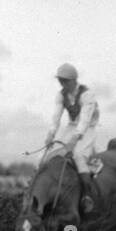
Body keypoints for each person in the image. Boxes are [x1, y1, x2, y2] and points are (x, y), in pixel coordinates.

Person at [44, 62, 102, 210]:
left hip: (87, 128)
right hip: (71, 126)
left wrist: (74, 140)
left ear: (73, 80)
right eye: (60, 81)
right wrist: (50, 134)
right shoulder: (61, 95)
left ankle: (87, 196)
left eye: (65, 81)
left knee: (77, 154)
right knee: (48, 155)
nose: (62, 84)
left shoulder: (87, 95)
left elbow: (84, 121)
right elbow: (56, 117)